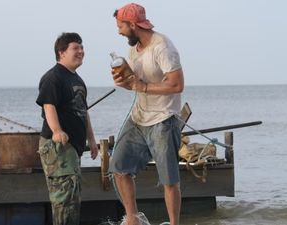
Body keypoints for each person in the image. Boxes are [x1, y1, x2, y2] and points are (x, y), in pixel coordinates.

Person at [109, 3, 184, 225]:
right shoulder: (134, 48)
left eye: (121, 26)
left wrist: (142, 87)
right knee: (119, 167)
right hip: (138, 117)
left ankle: (174, 224)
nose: (118, 31)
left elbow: (177, 84)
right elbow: (135, 82)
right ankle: (133, 219)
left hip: (163, 119)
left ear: (132, 24)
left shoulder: (163, 47)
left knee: (169, 181)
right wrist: (125, 82)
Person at [36, 32, 98, 225]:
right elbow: (48, 105)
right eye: (75, 48)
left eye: (81, 47)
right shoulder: (53, 77)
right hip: (58, 148)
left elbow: (83, 111)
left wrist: (92, 140)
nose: (81, 51)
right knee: (63, 200)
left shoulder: (77, 80)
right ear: (61, 52)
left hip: (73, 148)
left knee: (73, 198)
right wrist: (56, 130)